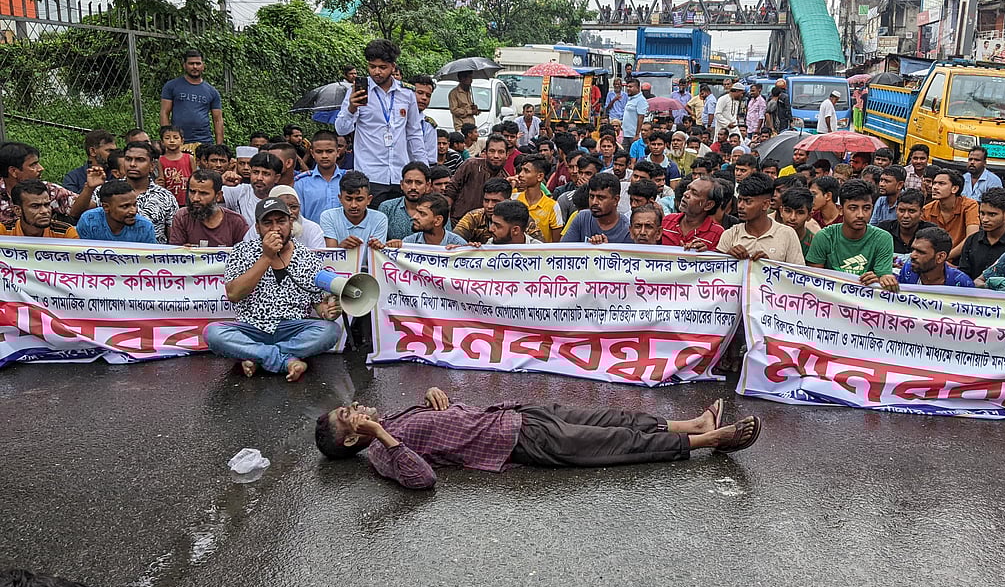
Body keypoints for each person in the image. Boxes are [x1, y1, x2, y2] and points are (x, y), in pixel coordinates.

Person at [313, 387, 760, 490]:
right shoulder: (379, 455)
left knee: (614, 418)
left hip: (519, 414)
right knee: (617, 445)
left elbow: (438, 425)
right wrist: (382, 435)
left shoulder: (390, 417)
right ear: (353, 440)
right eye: (349, 417)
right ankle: (711, 443)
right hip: (520, 443)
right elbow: (422, 478)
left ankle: (693, 425)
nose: (357, 410)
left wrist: (435, 397)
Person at [206, 197, 342, 381]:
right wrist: (266, 257)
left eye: (281, 221)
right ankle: (286, 361)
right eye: (268, 223)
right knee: (213, 333)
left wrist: (328, 311)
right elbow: (234, 294)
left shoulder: (307, 258)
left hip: (292, 328)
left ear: (291, 223)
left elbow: (318, 304)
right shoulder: (241, 251)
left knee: (331, 331)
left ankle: (257, 356)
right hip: (251, 328)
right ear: (257, 228)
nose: (275, 228)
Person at [335, 39, 427, 204]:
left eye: (382, 67)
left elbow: (414, 133)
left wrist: (423, 170)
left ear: (393, 66)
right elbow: (341, 130)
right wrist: (351, 108)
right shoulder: (356, 91)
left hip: (401, 174)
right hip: (370, 174)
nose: (377, 72)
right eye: (372, 66)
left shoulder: (407, 93)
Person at [806, 179, 896, 288]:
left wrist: (879, 280)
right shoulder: (824, 237)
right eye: (853, 208)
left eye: (866, 208)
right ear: (841, 210)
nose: (860, 215)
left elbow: (884, 278)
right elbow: (813, 280)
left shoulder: (883, 239)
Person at [0, 142, 96, 229]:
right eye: (33, 165)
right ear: (13, 171)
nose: (41, 168)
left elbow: (86, 207)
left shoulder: (48, 189)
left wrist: (89, 188)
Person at [716, 172, 804, 264]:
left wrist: (768, 266)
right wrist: (728, 257)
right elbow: (717, 272)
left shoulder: (787, 234)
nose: (740, 206)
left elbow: (797, 274)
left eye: (748, 201)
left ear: (765, 204)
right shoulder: (730, 235)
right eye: (740, 200)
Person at [169, 168, 249, 246]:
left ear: (218, 196)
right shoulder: (182, 217)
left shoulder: (236, 222)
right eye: (192, 192)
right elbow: (174, 255)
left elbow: (244, 254)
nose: (195, 198)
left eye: (203, 193)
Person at [116, 141, 177, 244]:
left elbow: (173, 238)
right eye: (128, 159)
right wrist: (89, 188)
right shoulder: (108, 191)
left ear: (152, 166)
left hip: (154, 257)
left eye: (140, 160)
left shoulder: (166, 197)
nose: (132, 164)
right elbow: (79, 212)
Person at [159, 49, 224, 145]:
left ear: (203, 66)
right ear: (184, 65)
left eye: (198, 63)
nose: (195, 67)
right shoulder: (171, 86)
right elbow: (164, 113)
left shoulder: (212, 91)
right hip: (178, 141)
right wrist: (167, 139)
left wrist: (219, 145)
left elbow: (218, 120)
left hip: (204, 141)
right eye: (191, 63)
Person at [958, 187, 1005, 279]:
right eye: (982, 213)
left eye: (992, 215)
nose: (985, 219)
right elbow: (964, 274)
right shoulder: (972, 241)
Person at [446, 135, 510, 221]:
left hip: (487, 227)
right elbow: (451, 189)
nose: (496, 156)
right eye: (492, 151)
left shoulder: (505, 178)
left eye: (501, 152)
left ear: (507, 155)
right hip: (458, 220)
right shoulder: (471, 165)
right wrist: (447, 218)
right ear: (485, 153)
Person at [319, 171, 389, 250]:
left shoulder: (380, 219)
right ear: (340, 199)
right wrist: (342, 248)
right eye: (348, 199)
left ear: (369, 200)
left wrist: (375, 248)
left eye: (359, 199)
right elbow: (330, 255)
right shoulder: (329, 217)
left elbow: (377, 257)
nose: (353, 205)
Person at [244, 185, 327, 250]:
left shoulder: (313, 229)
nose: (290, 212)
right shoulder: (258, 228)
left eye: (294, 207)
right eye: (284, 207)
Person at [922, 169, 979, 261]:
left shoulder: (970, 205)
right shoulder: (927, 209)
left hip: (961, 258)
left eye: (941, 183)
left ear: (955, 189)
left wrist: (945, 258)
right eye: (934, 183)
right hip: (934, 259)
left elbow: (972, 237)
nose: (934, 187)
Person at [76, 180, 156, 244]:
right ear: (106, 207)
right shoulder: (88, 221)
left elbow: (149, 260)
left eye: (134, 205)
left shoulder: (145, 227)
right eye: (125, 206)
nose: (133, 211)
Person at [562, 172, 632, 244]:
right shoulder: (582, 218)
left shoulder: (627, 230)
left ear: (616, 200)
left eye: (601, 198)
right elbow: (564, 250)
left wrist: (606, 250)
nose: (594, 202)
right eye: (591, 196)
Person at [293, 130, 346, 222]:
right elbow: (299, 217)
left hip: (346, 235)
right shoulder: (301, 183)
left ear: (337, 152)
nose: (324, 156)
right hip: (313, 235)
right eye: (319, 152)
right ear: (312, 153)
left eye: (329, 151)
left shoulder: (348, 179)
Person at [661, 176, 725, 251]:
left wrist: (706, 252)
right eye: (688, 189)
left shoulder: (717, 233)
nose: (685, 194)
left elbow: (718, 259)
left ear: (708, 205)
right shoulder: (667, 220)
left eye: (694, 193)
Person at [898, 227, 975, 288]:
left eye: (920, 252)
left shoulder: (962, 283)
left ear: (940, 257)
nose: (912, 255)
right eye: (913, 249)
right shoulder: (908, 269)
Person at [1, 179, 79, 238]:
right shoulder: (3, 232)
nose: (44, 211)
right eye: (35, 206)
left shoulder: (65, 233)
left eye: (47, 205)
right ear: (18, 210)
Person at [222, 152, 282, 224]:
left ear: (277, 178)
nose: (259, 178)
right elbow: (210, 198)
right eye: (255, 172)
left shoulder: (283, 197)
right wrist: (221, 181)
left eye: (266, 174)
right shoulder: (240, 191)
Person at [452, 177, 517, 244]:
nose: (489, 206)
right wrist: (467, 245)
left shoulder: (520, 218)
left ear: (508, 201)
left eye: (495, 201)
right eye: (486, 200)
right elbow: (455, 239)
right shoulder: (474, 217)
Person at [516, 156, 564, 243]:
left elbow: (556, 242)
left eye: (526, 171)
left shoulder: (552, 206)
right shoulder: (514, 199)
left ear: (540, 176)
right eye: (521, 170)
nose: (520, 175)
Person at [379, 162, 431, 240]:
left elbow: (447, 240)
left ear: (427, 186)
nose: (413, 187)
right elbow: (378, 241)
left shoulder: (437, 208)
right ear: (402, 184)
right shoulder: (387, 208)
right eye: (408, 182)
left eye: (418, 183)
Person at [876, 188, 936, 257]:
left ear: (921, 212)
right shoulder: (883, 230)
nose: (906, 216)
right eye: (901, 211)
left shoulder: (931, 232)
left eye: (911, 211)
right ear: (896, 210)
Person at [396, 193, 467, 247]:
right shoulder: (409, 243)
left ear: (438, 220)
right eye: (416, 211)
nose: (415, 216)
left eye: (422, 213)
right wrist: (393, 247)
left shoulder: (458, 244)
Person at [62, 129, 116, 194]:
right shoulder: (73, 178)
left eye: (115, 151)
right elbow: (70, 203)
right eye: (109, 151)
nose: (114, 154)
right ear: (93, 151)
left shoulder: (117, 173)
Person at [156, 126, 194, 205]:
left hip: (188, 199)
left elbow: (195, 177)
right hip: (169, 200)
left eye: (176, 138)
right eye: (167, 138)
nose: (172, 141)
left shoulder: (189, 158)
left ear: (182, 141)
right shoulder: (161, 160)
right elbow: (161, 180)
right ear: (162, 142)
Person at [621, 79, 648, 151]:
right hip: (626, 134)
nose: (628, 89)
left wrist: (637, 134)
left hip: (633, 135)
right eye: (627, 87)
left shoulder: (641, 100)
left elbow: (641, 117)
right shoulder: (631, 99)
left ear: (638, 88)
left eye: (630, 87)